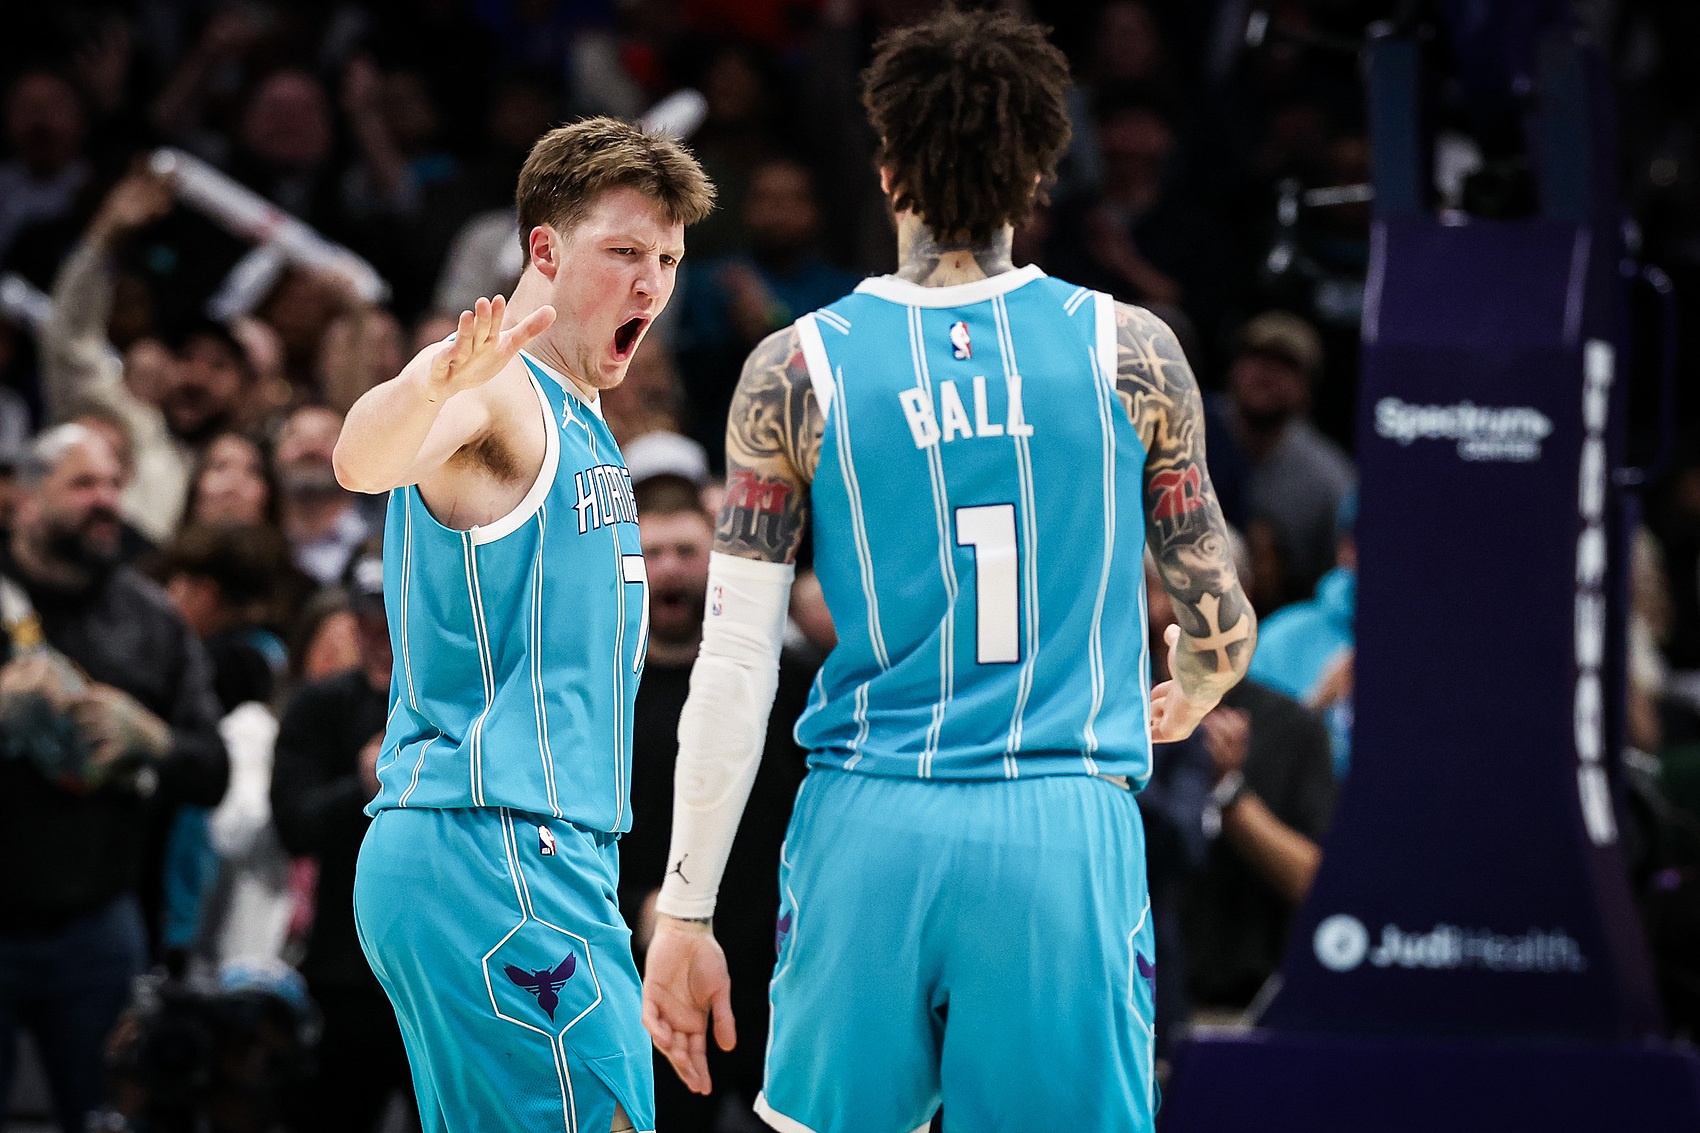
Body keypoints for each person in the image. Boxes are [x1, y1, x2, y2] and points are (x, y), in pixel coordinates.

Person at [641, 13, 1255, 1133]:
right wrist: (1191, 689)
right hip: (1058, 821)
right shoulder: (1132, 350)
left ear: (885, 170)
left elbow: (732, 665)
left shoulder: (795, 368)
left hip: (869, 821)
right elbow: (1219, 625)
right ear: (1037, 176)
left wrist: (685, 909)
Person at [333, 116, 714, 1133]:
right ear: (543, 249)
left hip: (521, 852)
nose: (649, 284)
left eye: (667, 260)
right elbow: (364, 457)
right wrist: (429, 383)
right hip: (495, 843)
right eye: (623, 252)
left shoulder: (588, 418)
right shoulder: (497, 388)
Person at [0, 424, 228, 1133]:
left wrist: (154, 740)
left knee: (112, 1120)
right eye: (83, 484)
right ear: (25, 500)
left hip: (97, 927)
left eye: (113, 484)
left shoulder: (151, 619)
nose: (107, 500)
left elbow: (211, 770)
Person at [619, 472, 814, 1131]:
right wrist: (634, 905)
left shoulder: (786, 682)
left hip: (779, 975)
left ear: (718, 561)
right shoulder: (597, 698)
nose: (670, 568)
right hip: (653, 977)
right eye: (652, 553)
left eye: (686, 551)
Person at [270, 547, 415, 1133]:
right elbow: (293, 825)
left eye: (396, 618)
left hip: (438, 969)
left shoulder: (469, 706)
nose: (383, 636)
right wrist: (360, 783)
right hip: (343, 971)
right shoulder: (321, 706)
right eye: (370, 619)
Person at [1206, 311, 1355, 606]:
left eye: (1285, 364)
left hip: (1286, 611)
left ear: (1307, 388)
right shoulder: (1187, 427)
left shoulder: (1329, 477)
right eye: (1257, 357)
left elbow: (1344, 574)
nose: (1266, 373)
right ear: (1233, 368)